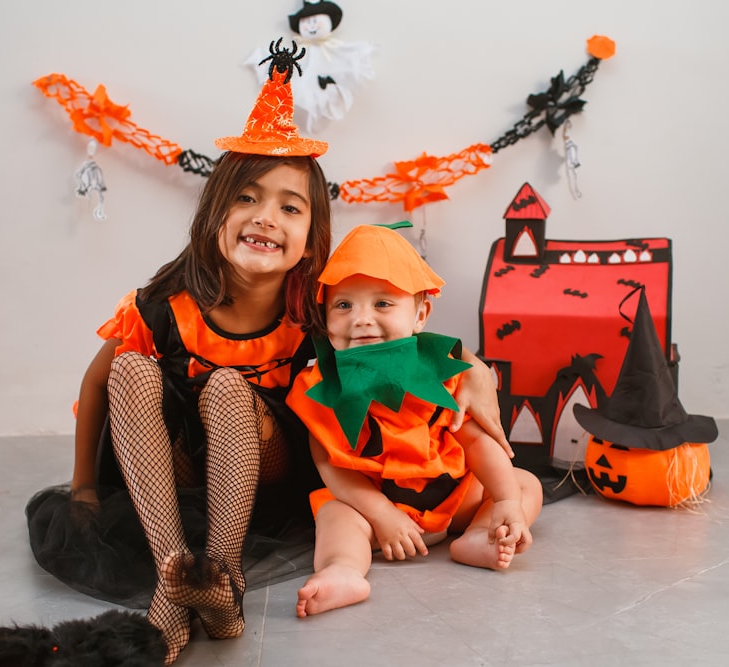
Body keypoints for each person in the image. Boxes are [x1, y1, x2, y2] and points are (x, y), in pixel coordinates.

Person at [27, 47, 506, 663]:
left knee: (228, 387)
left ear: (312, 238)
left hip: (265, 469)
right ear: (214, 212)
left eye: (290, 207)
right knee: (128, 366)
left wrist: (474, 366)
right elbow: (96, 386)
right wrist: (85, 489)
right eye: (247, 198)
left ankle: (222, 579)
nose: (265, 218)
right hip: (168, 469)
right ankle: (175, 582)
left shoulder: (317, 306)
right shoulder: (164, 305)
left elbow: (397, 335)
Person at [287, 224, 543, 618]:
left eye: (383, 304)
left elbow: (475, 441)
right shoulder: (319, 386)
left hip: (456, 499)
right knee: (336, 514)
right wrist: (382, 514)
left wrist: (506, 499)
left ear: (421, 313)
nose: (361, 319)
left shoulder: (446, 371)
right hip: (377, 510)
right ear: (325, 316)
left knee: (524, 484)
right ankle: (344, 570)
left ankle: (479, 535)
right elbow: (329, 465)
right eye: (344, 305)